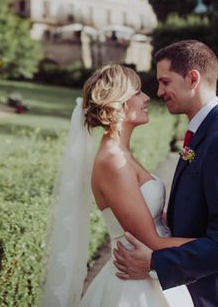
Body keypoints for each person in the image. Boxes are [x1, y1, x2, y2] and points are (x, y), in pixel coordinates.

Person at [113, 40, 218, 307]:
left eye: (165, 81)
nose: (159, 91)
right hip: (200, 283)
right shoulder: (205, 131)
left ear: (193, 78)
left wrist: (155, 262)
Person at [41, 64, 194, 307]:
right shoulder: (112, 161)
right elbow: (152, 242)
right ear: (118, 103)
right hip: (134, 288)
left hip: (150, 276)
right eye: (137, 93)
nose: (146, 98)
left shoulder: (120, 153)